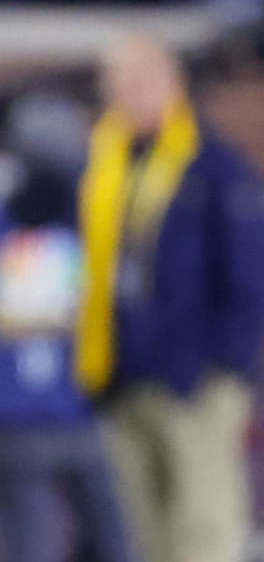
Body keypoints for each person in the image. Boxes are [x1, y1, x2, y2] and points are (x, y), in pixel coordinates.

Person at [76, 34, 264, 562]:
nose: (125, 95)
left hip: (196, 382)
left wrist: (224, 367)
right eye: (115, 84)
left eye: (137, 81)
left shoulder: (213, 168)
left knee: (203, 532)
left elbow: (247, 278)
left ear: (171, 83)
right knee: (146, 536)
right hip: (126, 375)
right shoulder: (107, 166)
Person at [0, 93, 132, 562]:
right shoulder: (89, 224)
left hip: (14, 412)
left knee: (34, 543)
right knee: (104, 539)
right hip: (69, 409)